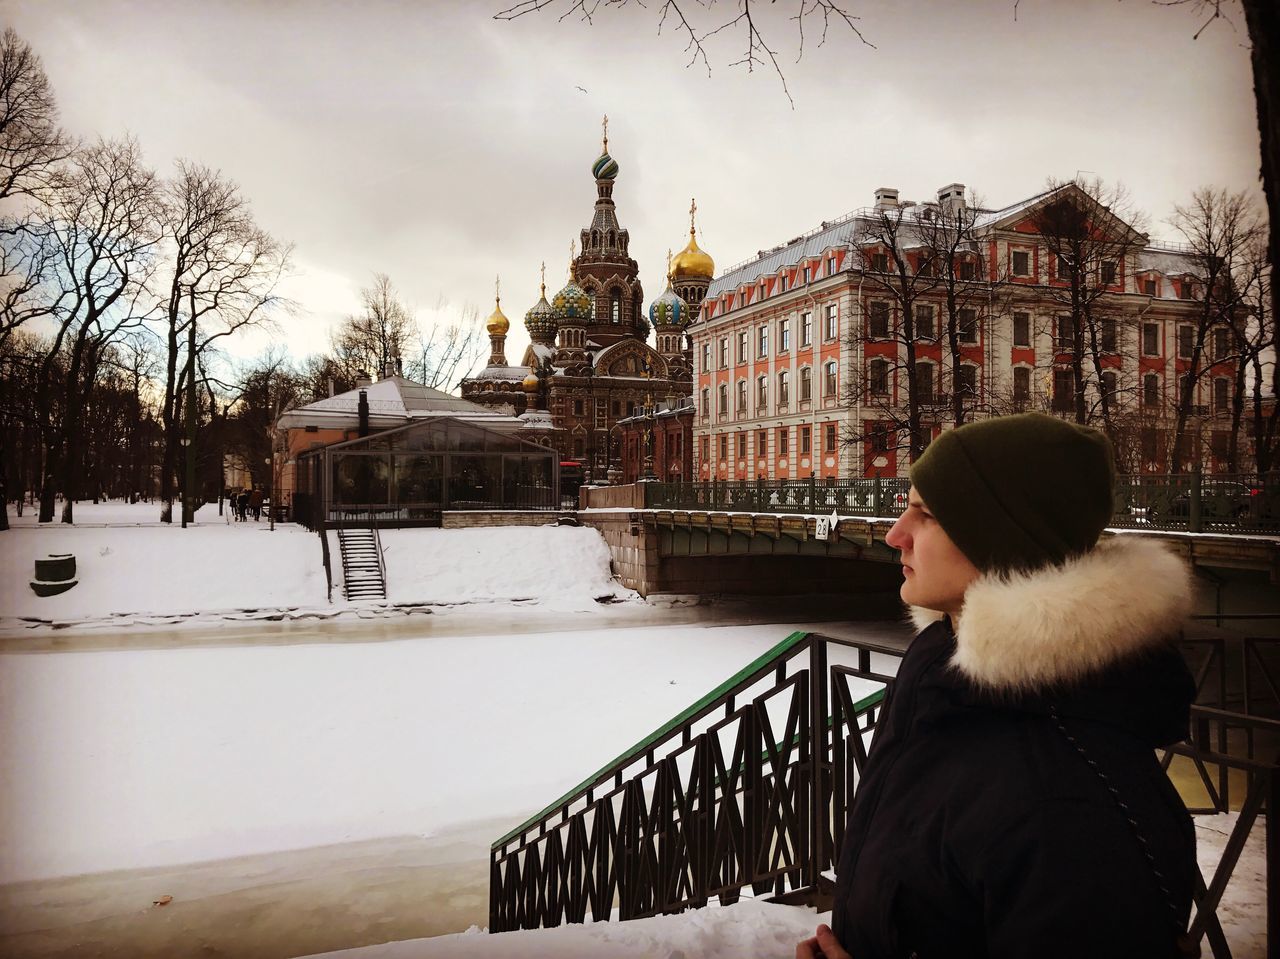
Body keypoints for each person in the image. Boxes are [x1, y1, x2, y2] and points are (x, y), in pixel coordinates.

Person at [799, 412, 1198, 959]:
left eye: (926, 514)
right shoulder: (944, 677)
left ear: (1000, 540)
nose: (894, 535)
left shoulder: (1063, 804)